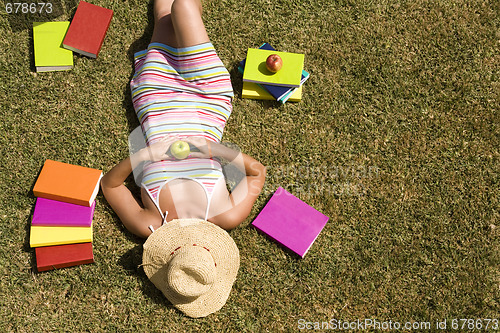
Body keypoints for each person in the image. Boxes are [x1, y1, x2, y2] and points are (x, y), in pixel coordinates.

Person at [101, 0, 266, 239]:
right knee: (184, 6)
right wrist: (212, 149)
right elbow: (257, 172)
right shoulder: (226, 215)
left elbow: (109, 185)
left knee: (165, 15)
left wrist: (146, 155)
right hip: (208, 99)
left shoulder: (151, 225)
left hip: (157, 98)